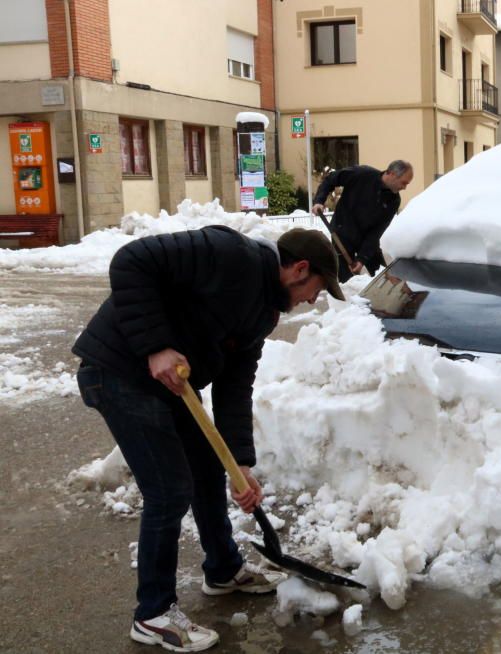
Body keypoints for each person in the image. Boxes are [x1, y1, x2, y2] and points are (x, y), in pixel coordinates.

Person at [73, 226, 344, 651]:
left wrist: (240, 464)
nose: (314, 298)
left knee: (206, 467)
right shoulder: (230, 253)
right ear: (300, 269)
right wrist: (157, 346)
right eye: (317, 287)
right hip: (118, 372)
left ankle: (222, 570)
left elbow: (236, 387)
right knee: (168, 488)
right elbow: (131, 260)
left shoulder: (264, 313)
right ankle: (153, 614)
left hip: (170, 386)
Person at [311, 159, 414, 280]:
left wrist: (362, 259)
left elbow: (376, 232)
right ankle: (347, 296)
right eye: (404, 183)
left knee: (383, 276)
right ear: (391, 174)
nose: (404, 188)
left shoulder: (393, 200)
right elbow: (331, 180)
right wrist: (319, 201)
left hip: (367, 239)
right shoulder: (361, 174)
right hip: (342, 233)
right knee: (346, 280)